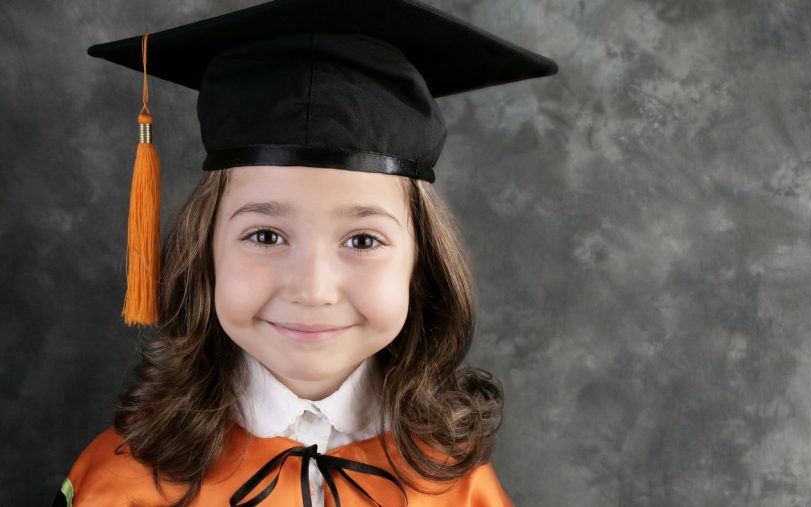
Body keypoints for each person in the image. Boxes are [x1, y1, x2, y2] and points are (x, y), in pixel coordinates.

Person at [55, 0, 557, 505]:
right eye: (266, 236)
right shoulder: (125, 484)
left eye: (363, 240)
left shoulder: (458, 485)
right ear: (203, 251)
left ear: (421, 265)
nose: (313, 290)